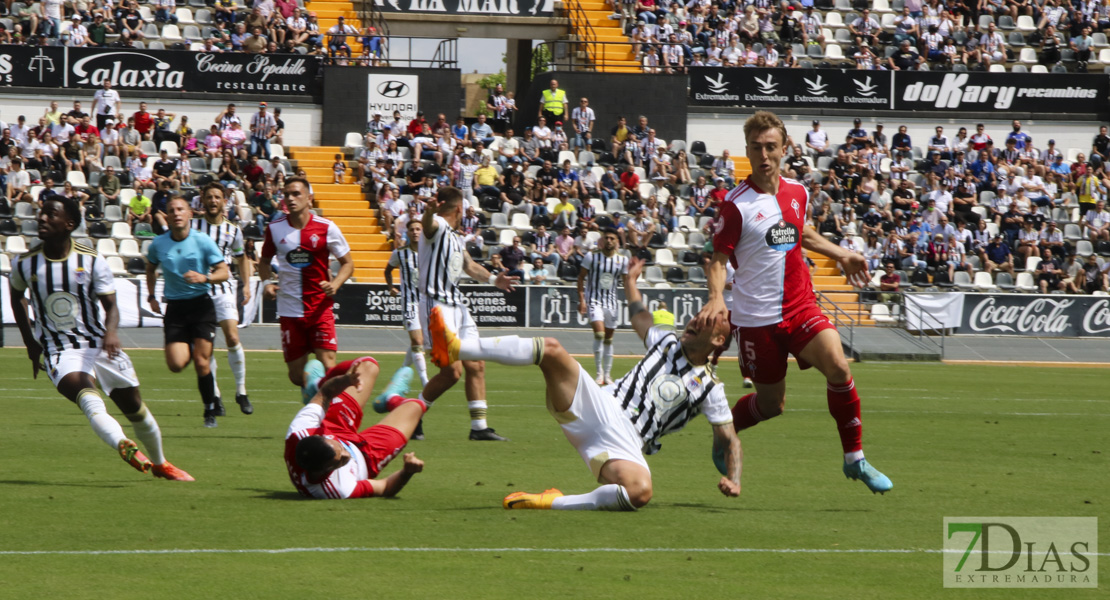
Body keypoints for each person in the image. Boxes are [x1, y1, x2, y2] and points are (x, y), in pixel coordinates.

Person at [426, 256, 742, 511]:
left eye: (706, 320)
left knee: (640, 492)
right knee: (550, 349)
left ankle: (551, 502)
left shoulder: (711, 388)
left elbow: (730, 441)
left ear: (717, 339)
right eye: (698, 314)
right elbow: (639, 314)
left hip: (627, 442)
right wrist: (630, 282)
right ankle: (455, 347)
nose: (695, 319)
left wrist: (734, 479)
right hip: (601, 406)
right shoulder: (667, 341)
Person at [692, 110, 893, 495]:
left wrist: (841, 254)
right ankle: (724, 435)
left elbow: (802, 233)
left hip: (800, 307)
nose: (764, 154)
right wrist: (717, 298)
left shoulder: (797, 192)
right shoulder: (736, 205)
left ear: (785, 149)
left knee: (838, 365)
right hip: (756, 319)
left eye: (771, 147)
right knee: (771, 406)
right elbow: (717, 261)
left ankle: (855, 459)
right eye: (756, 148)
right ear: (747, 152)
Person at [9, 196, 193, 481]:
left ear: (69, 224)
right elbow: (16, 296)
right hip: (60, 350)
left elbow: (112, 307)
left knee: (135, 409)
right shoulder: (25, 263)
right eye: (41, 213)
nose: (41, 219)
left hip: (99, 345)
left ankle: (160, 464)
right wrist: (31, 343)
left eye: (50, 214)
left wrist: (110, 333)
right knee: (88, 397)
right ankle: (123, 444)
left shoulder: (91, 260)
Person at [418, 186, 515, 441]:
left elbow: (470, 266)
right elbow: (428, 226)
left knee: (476, 363)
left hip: (457, 305)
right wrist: (427, 213)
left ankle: (479, 427)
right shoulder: (437, 224)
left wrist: (496, 280)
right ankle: (413, 415)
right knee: (452, 372)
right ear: (459, 208)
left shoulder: (455, 237)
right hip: (436, 305)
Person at [258, 178, 354, 400]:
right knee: (295, 375)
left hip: (320, 308)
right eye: (287, 194)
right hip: (290, 309)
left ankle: (327, 421)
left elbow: (348, 263)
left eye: (296, 194)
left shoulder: (326, 227)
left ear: (309, 198)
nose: (290, 198)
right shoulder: (275, 228)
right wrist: (267, 283)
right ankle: (310, 386)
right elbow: (264, 261)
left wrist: (335, 285)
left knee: (329, 365)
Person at [145, 196, 231, 428]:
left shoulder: (202, 241)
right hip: (176, 309)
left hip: (201, 305)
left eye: (181, 209)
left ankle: (209, 408)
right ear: (167, 216)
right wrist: (152, 296)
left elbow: (224, 271)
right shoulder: (158, 244)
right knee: (176, 364)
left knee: (202, 362)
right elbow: (150, 267)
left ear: (190, 213)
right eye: (171, 210)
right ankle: (195, 347)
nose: (176, 213)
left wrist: (206, 277)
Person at [286, 357, 426, 499]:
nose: (347, 455)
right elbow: (384, 487)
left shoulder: (300, 430)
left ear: (319, 436)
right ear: (323, 471)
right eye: (340, 461)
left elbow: (325, 392)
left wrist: (346, 381)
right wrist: (407, 472)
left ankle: (314, 384)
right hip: (366, 457)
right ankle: (391, 398)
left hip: (334, 428)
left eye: (340, 450)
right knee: (416, 406)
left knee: (367, 365)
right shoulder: (337, 489)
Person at [191, 183, 253, 416]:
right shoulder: (193, 227)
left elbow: (241, 258)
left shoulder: (233, 230)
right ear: (203, 201)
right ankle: (215, 395)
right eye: (209, 197)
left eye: (218, 197)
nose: (213, 201)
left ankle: (241, 391)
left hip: (224, 288)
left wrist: (246, 285)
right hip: (198, 291)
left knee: (232, 336)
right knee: (205, 346)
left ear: (224, 202)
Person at [577, 228, 629, 385]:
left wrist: (632, 301)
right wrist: (582, 300)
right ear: (602, 240)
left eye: (612, 238)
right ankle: (599, 373)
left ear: (616, 242)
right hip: (594, 300)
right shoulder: (591, 257)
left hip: (612, 303)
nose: (609, 241)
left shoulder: (622, 260)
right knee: (599, 335)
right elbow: (580, 278)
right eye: (606, 238)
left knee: (608, 339)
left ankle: (607, 375)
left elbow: (627, 283)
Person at [384, 218, 431, 390]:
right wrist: (391, 287)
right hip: (409, 301)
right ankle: (425, 380)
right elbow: (387, 270)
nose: (416, 232)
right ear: (408, 233)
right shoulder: (400, 253)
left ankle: (403, 369)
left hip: (427, 302)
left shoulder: (430, 252)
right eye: (412, 229)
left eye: (419, 229)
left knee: (422, 342)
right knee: (417, 340)